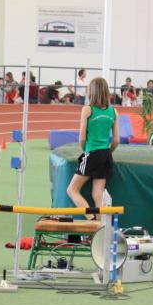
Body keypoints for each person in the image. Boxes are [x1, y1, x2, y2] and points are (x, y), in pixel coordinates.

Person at [65, 77, 119, 219]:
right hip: (106, 154)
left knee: (72, 190)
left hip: (92, 153)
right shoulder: (113, 111)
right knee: (98, 194)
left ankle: (91, 218)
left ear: (92, 92)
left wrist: (86, 151)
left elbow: (82, 138)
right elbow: (116, 140)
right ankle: (101, 226)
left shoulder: (87, 110)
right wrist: (107, 152)